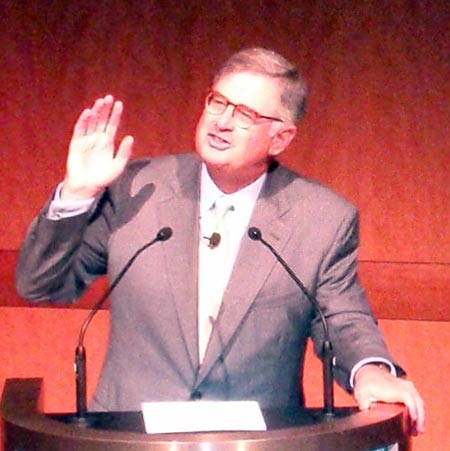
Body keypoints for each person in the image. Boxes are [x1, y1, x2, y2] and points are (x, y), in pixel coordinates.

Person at [16, 48, 424, 437]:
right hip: (128, 437)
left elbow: (342, 318)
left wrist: (372, 372)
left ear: (280, 138)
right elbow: (42, 285)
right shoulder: (136, 190)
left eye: (245, 114)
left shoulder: (320, 219)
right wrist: (76, 193)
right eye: (218, 102)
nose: (222, 121)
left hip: (256, 442)